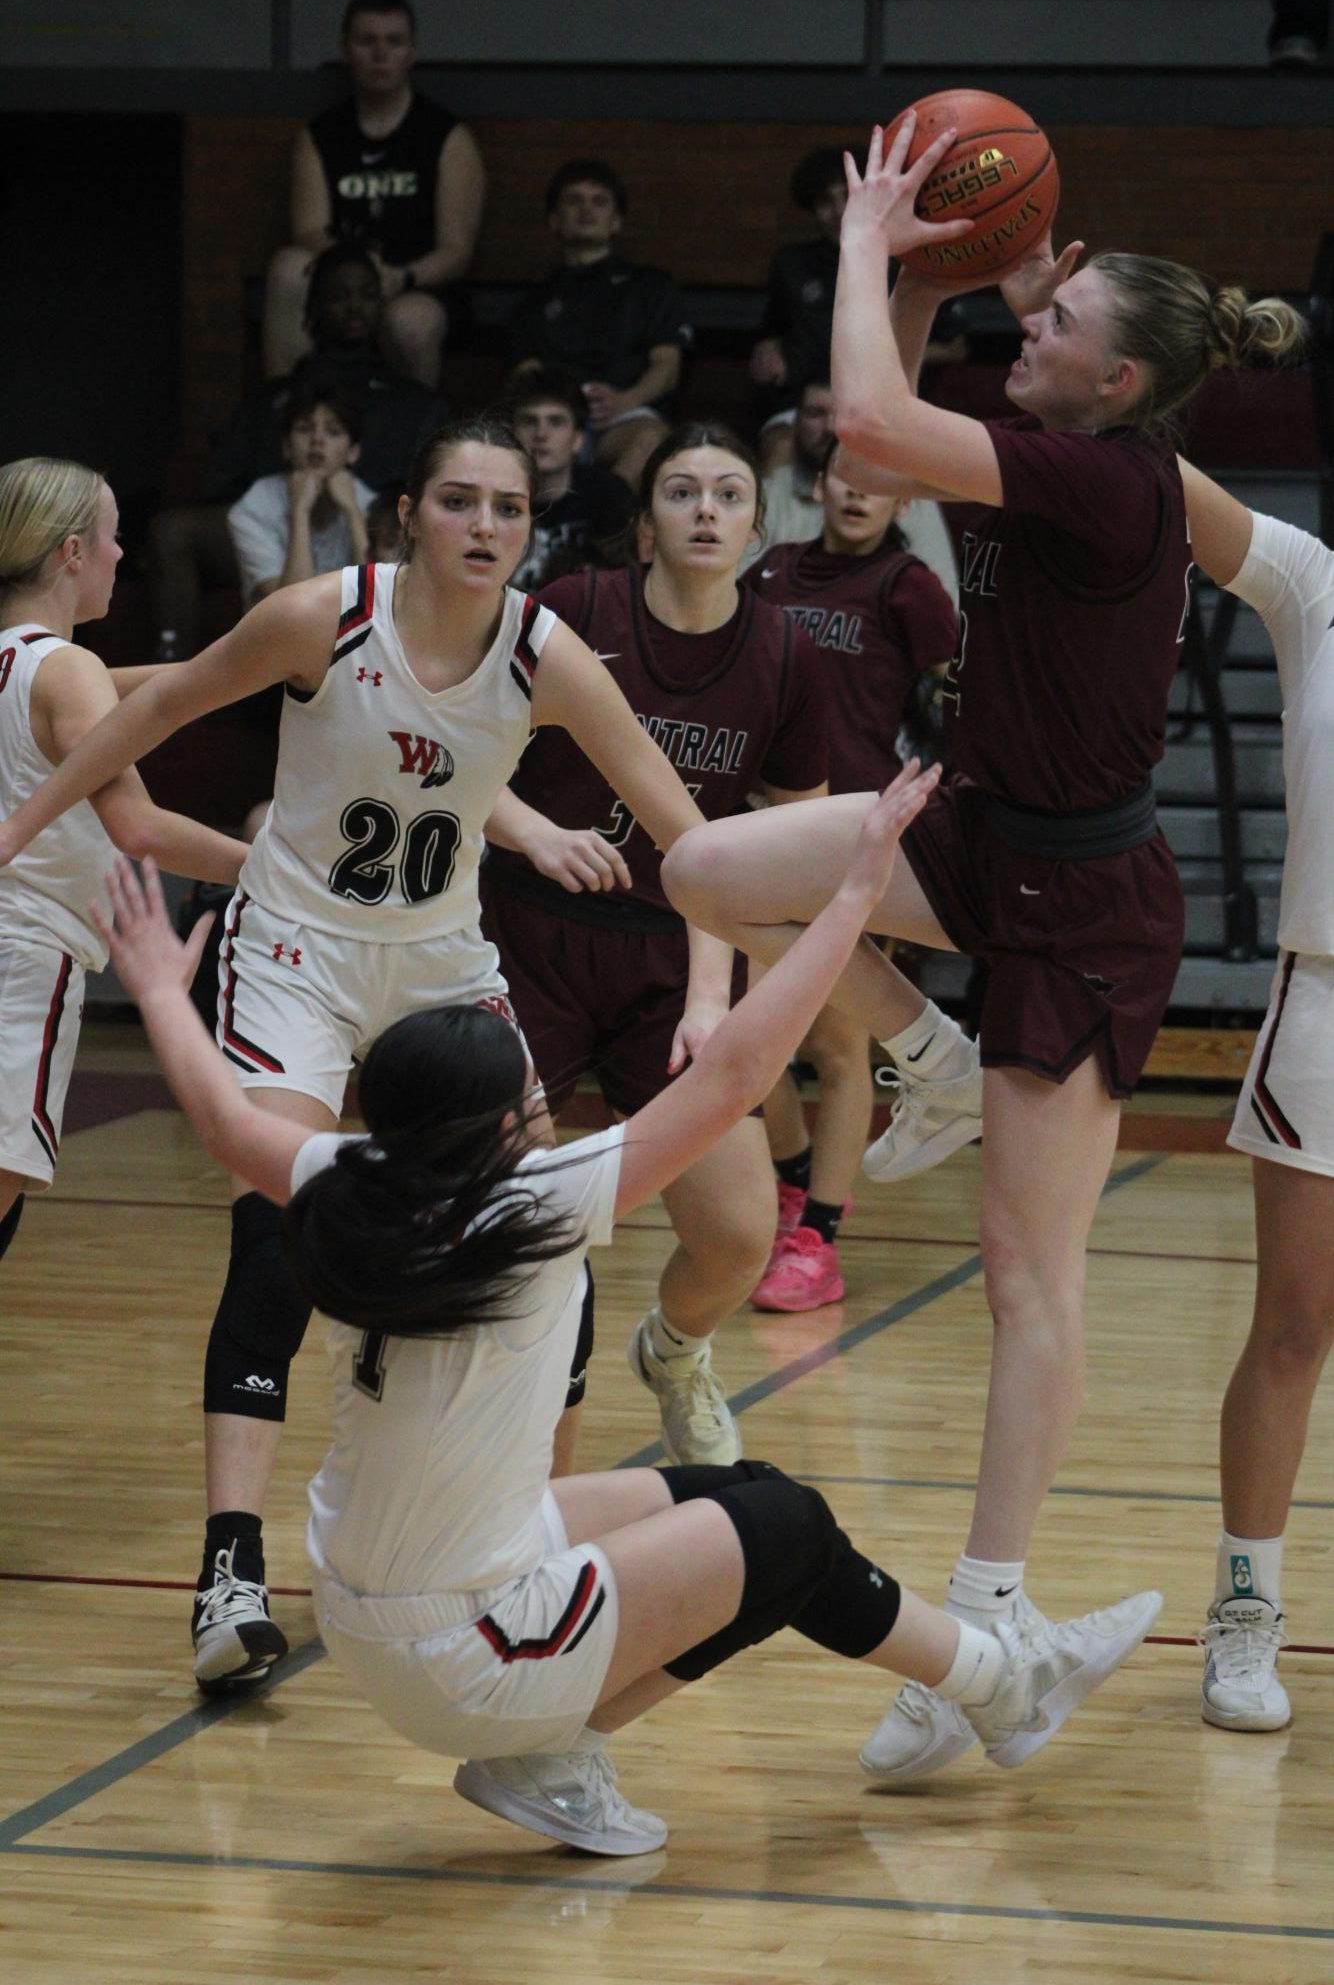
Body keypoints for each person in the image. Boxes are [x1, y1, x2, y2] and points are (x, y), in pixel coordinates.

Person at [96, 788, 1163, 1856]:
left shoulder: (348, 1176)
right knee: (783, 1533)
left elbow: (229, 1122)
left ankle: (955, 1685)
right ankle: (994, 1685)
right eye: (528, 1097)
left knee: (740, 1497)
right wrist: (849, 898)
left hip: (377, 1607)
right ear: (496, 1131)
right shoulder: (533, 1208)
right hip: (469, 1651)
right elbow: (739, 1067)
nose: (544, 1103)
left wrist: (155, 989)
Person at [661, 115, 1305, 1782]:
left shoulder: (1099, 482)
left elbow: (863, 421)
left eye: (1058, 333)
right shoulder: (1068, 427)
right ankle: (923, 1060)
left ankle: (987, 1626)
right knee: (705, 866)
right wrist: (970, 273)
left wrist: (871, 249)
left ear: (1111, 390)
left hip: (1085, 907)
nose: (1034, 334)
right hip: (970, 827)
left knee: (1028, 1283)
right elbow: (887, 427)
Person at [0, 420, 736, 1698]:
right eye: (458, 501)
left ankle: (529, 1540)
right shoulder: (320, 617)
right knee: (276, 1223)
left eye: (506, 507)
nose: (484, 525)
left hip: (440, 960)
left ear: (528, 530)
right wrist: (15, 832)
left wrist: (718, 985)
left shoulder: (545, 652)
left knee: (543, 1229)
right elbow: (160, 706)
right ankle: (230, 1569)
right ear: (411, 514)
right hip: (294, 951)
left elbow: (691, 840)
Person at [481, 423, 829, 1461]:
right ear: (643, 526)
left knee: (734, 1235)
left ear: (758, 530)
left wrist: (719, 996)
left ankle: (674, 1351)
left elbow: (785, 847)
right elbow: (455, 751)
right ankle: (520, 1462)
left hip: (680, 958)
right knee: (528, 1220)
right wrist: (536, 834)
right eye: (681, 492)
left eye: (728, 493)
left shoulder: (783, 653)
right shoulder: (575, 611)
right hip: (524, 935)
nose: (706, 510)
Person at [0, 457, 249, 1262]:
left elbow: (146, 687)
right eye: (113, 539)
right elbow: (138, 826)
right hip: (22, 960)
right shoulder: (67, 672)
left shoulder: (36, 667)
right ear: (73, 552)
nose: (123, 557)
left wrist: (279, 657)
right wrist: (281, 867)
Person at [1178, 464, 1333, 1733]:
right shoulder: (1313, 586)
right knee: (1291, 1326)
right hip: (1327, 1001)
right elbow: (1158, 486)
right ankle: (1242, 1613)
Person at [741, 442, 956, 1311]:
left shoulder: (910, 587)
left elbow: (954, 710)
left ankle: (818, 1238)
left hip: (852, 840)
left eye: (880, 480)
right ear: (818, 485)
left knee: (834, 1046)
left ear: (903, 498)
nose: (861, 491)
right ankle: (793, 1183)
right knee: (750, 1046)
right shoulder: (773, 572)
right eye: (845, 476)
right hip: (760, 830)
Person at [148, 241, 446, 658]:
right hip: (277, 540)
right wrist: (295, 510)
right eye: (339, 296)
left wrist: (359, 513)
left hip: (367, 533)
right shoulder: (278, 400)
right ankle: (169, 660)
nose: (354, 308)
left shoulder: (409, 400)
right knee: (173, 530)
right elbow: (284, 612)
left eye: (366, 295)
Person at [263, 0, 485, 386]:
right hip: (343, 277)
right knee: (287, 269)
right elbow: (309, 231)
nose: (380, 53)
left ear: (411, 52)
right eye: (367, 41)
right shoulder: (321, 135)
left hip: (419, 286)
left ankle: (412, 439)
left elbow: (456, 252)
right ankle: (287, 417)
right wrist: (360, 269)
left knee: (409, 323)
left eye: (394, 41)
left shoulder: (448, 137)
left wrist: (400, 276)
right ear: (346, 51)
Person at [750, 147, 964, 474]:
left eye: (847, 197)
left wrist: (882, 358)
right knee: (780, 446)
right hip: (803, 404)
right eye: (825, 202)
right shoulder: (791, 263)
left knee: (898, 458)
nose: (838, 211)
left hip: (884, 404)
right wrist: (767, 349)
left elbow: (955, 348)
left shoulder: (910, 258)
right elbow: (771, 333)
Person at [507, 160, 692, 485]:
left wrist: (626, 400)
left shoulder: (650, 286)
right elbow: (525, 373)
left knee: (652, 440)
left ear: (616, 220)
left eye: (599, 201)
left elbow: (667, 368)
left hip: (623, 415)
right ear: (554, 219)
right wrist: (563, 409)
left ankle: (601, 521)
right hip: (553, 418)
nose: (586, 209)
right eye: (574, 200)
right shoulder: (533, 300)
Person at [741, 377, 960, 606]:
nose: (829, 427)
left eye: (843, 413)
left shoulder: (908, 494)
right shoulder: (769, 494)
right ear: (794, 422)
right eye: (816, 413)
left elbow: (946, 603)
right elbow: (735, 602)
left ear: (901, 504)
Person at [227, 383, 374, 606]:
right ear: (286, 446)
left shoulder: (371, 504)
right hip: (278, 637)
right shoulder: (253, 508)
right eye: (305, 429)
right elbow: (289, 610)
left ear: (353, 452)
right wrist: (299, 512)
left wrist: (353, 513)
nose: (317, 440)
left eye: (333, 432)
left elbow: (376, 603)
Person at [503, 365, 637, 592]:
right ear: (510, 434)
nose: (541, 434)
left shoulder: (609, 494)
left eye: (555, 422)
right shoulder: (490, 495)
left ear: (579, 439)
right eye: (529, 421)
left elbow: (621, 585)